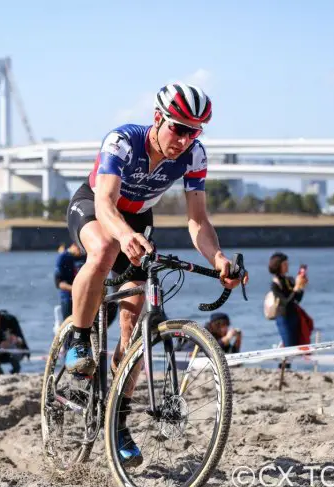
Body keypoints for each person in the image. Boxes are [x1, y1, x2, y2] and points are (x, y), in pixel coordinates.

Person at [63, 82, 246, 465]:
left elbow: (197, 220)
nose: (184, 139)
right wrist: (125, 234)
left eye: (193, 131)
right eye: (178, 128)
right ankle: (79, 339)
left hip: (139, 217)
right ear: (158, 118)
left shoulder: (194, 156)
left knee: (135, 324)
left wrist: (218, 260)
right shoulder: (123, 142)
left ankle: (118, 421)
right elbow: (105, 201)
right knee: (104, 249)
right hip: (96, 207)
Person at [267, 252, 313, 347]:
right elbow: (285, 303)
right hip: (284, 318)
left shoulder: (290, 280)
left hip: (294, 316)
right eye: (284, 264)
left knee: (297, 345)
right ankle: (283, 356)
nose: (287, 266)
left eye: (287, 263)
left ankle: (283, 353)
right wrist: (296, 287)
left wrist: (301, 287)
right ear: (278, 266)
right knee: (290, 347)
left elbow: (297, 300)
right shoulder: (275, 284)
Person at [54, 241, 86, 319]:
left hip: (84, 298)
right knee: (71, 325)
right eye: (81, 249)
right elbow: (58, 283)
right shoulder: (63, 258)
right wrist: (76, 289)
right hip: (68, 299)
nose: (82, 252)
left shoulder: (84, 256)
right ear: (74, 245)